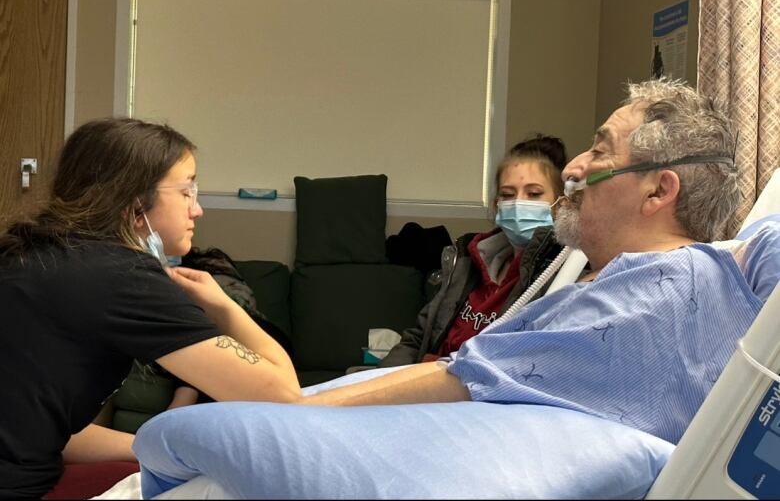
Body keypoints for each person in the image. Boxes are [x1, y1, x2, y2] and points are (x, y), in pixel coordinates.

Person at [302, 77, 780, 446]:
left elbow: (465, 376)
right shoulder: (631, 283)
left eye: (599, 150)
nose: (573, 167)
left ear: (658, 189)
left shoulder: (651, 299)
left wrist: (290, 406)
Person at [0, 118, 301, 499]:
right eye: (187, 190)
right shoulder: (121, 275)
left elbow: (41, 430)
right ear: (134, 201)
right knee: (230, 488)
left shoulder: (34, 257)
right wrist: (224, 307)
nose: (198, 210)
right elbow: (284, 396)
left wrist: (151, 448)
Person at [379, 134, 567, 368]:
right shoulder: (467, 260)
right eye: (508, 195)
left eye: (534, 193)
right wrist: (379, 380)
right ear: (496, 205)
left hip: (461, 394)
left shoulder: (563, 277)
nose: (518, 203)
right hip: (416, 384)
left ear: (560, 205)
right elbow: (417, 338)